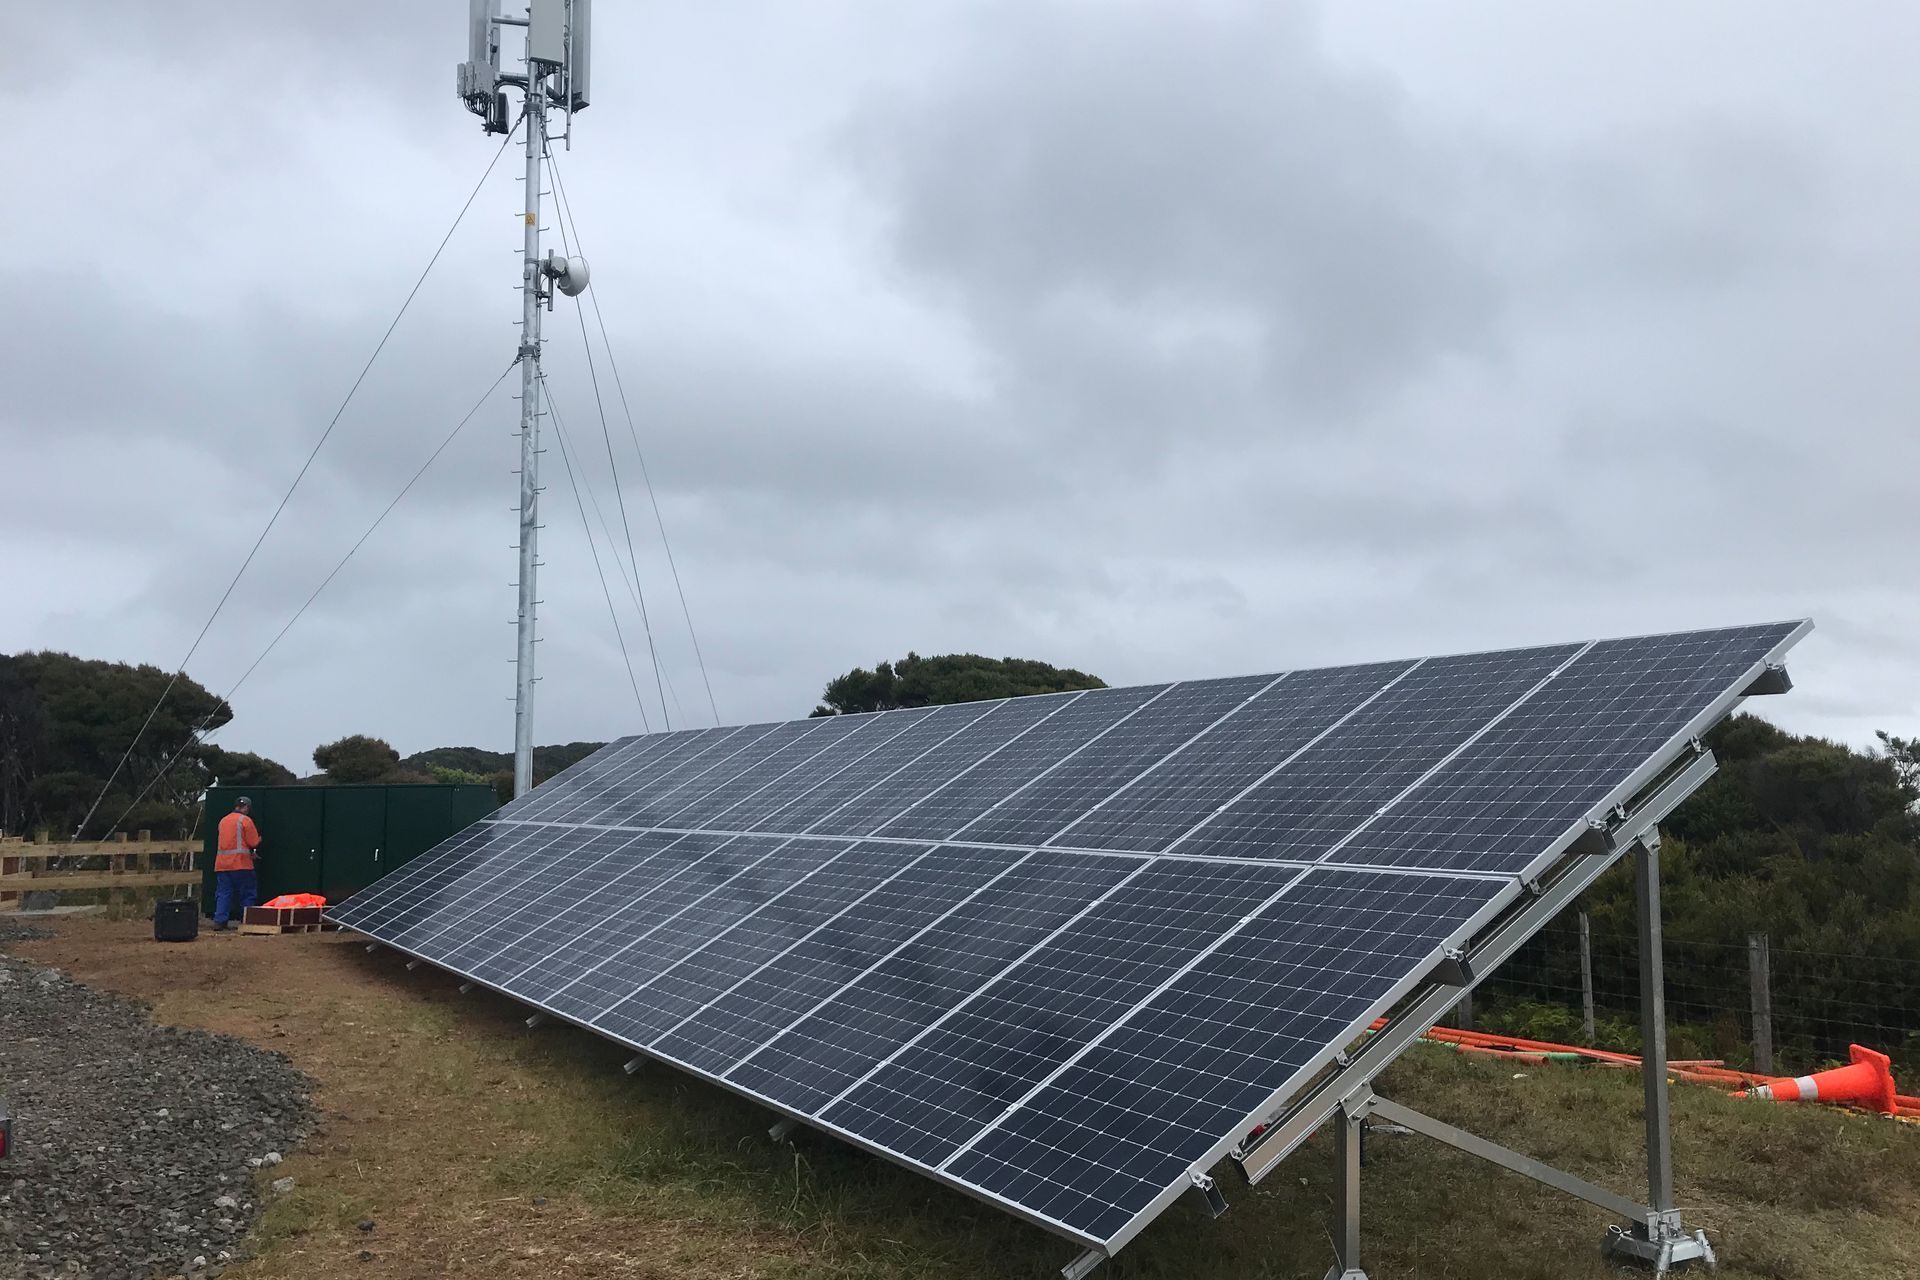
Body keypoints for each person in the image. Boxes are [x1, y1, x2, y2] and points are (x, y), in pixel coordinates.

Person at [212, 797, 263, 931]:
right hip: (241, 864)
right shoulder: (245, 820)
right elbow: (253, 842)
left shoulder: (223, 820)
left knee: (223, 893)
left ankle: (220, 921)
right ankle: (247, 920)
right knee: (247, 893)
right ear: (246, 807)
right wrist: (259, 839)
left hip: (222, 865)